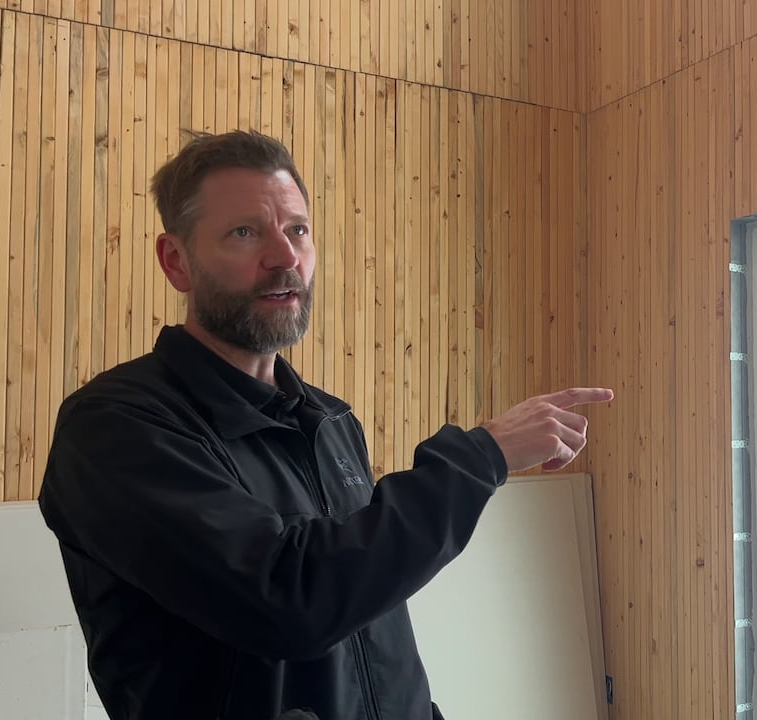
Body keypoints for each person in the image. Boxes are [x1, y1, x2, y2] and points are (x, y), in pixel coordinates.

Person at [37, 130, 613, 720]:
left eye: (297, 230)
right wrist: (480, 455)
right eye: (245, 232)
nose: (284, 258)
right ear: (176, 261)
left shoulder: (330, 420)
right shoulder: (117, 427)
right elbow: (288, 598)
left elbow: (367, 622)